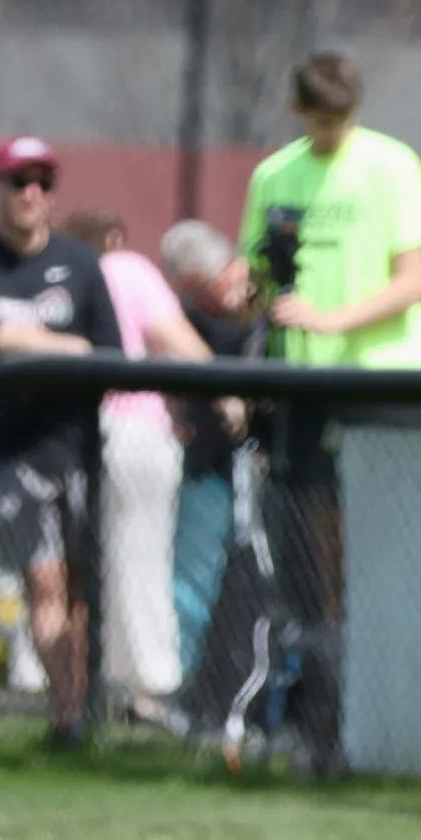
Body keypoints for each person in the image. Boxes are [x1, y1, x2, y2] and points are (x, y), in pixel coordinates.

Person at [236, 50, 421, 769]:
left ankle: (396, 721)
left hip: (382, 385)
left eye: (341, 119)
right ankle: (320, 727)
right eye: (318, 119)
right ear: (297, 111)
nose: (329, 132)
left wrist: (333, 319)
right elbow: (260, 278)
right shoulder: (273, 176)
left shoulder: (393, 166)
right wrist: (250, 289)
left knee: (378, 552)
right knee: (310, 555)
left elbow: (416, 280)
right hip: (303, 388)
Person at [0, 136, 121, 747]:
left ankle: (84, 707)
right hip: (10, 450)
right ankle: (67, 715)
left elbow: (111, 350)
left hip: (78, 446)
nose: (31, 194)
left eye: (42, 182)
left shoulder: (81, 263)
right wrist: (64, 345)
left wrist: (26, 338)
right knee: (43, 582)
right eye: (18, 182)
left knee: (81, 588)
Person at [60, 208, 214, 728]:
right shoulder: (127, 268)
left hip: (73, 434)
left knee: (72, 565)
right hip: (135, 430)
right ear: (115, 236)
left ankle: (74, 682)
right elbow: (188, 350)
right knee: (140, 559)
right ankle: (149, 687)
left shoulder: (63, 277)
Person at [156, 219, 252, 682]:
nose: (210, 296)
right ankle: (183, 684)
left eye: (211, 282)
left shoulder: (270, 305)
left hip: (271, 470)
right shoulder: (187, 317)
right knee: (192, 582)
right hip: (208, 468)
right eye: (194, 289)